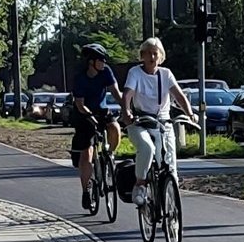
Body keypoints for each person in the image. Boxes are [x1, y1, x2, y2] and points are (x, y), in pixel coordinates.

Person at [120, 37, 194, 206]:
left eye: (156, 54)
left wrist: (190, 113)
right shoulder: (135, 73)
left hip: (163, 122)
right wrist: (127, 113)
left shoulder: (166, 74)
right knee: (147, 148)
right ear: (142, 56)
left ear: (161, 56)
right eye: (149, 54)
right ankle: (139, 185)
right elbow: (127, 94)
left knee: (170, 164)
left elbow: (179, 96)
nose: (153, 57)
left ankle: (171, 205)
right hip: (140, 121)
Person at [69, 43, 123, 210]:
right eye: (101, 60)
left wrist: (127, 108)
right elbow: (79, 104)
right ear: (91, 62)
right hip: (84, 113)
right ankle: (87, 190)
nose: (104, 63)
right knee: (88, 151)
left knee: (115, 129)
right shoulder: (80, 78)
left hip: (101, 110)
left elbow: (116, 92)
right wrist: (90, 117)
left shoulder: (106, 72)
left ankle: (110, 154)